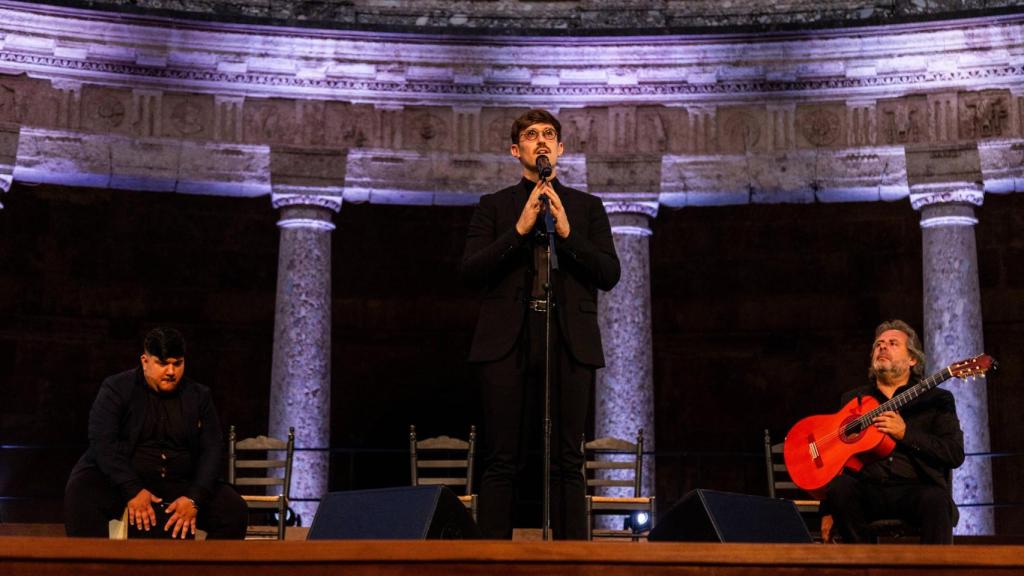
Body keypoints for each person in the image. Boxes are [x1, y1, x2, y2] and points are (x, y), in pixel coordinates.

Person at [462, 109, 621, 539]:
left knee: (567, 459)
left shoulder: (587, 208)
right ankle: (494, 564)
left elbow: (609, 273)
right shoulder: (493, 206)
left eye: (550, 135)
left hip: (567, 339)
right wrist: (519, 230)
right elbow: (471, 272)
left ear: (561, 149)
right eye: (532, 136)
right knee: (502, 459)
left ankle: (574, 563)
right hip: (508, 341)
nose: (542, 141)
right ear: (517, 151)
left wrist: (569, 235)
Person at [65, 328, 247, 539]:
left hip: (181, 482)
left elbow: (213, 448)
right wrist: (131, 489)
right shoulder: (117, 388)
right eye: (163, 363)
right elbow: (102, 442)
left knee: (234, 509)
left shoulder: (199, 396)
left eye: (177, 363)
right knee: (82, 491)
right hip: (127, 478)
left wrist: (194, 498)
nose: (171, 371)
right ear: (145, 361)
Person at [822, 319, 965, 544]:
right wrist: (826, 510)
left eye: (892, 343)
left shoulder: (937, 399)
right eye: (878, 344)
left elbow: (953, 453)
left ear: (912, 359)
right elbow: (836, 458)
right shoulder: (853, 400)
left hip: (916, 490)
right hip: (867, 491)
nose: (882, 347)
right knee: (841, 489)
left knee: (936, 500)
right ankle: (866, 566)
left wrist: (905, 434)